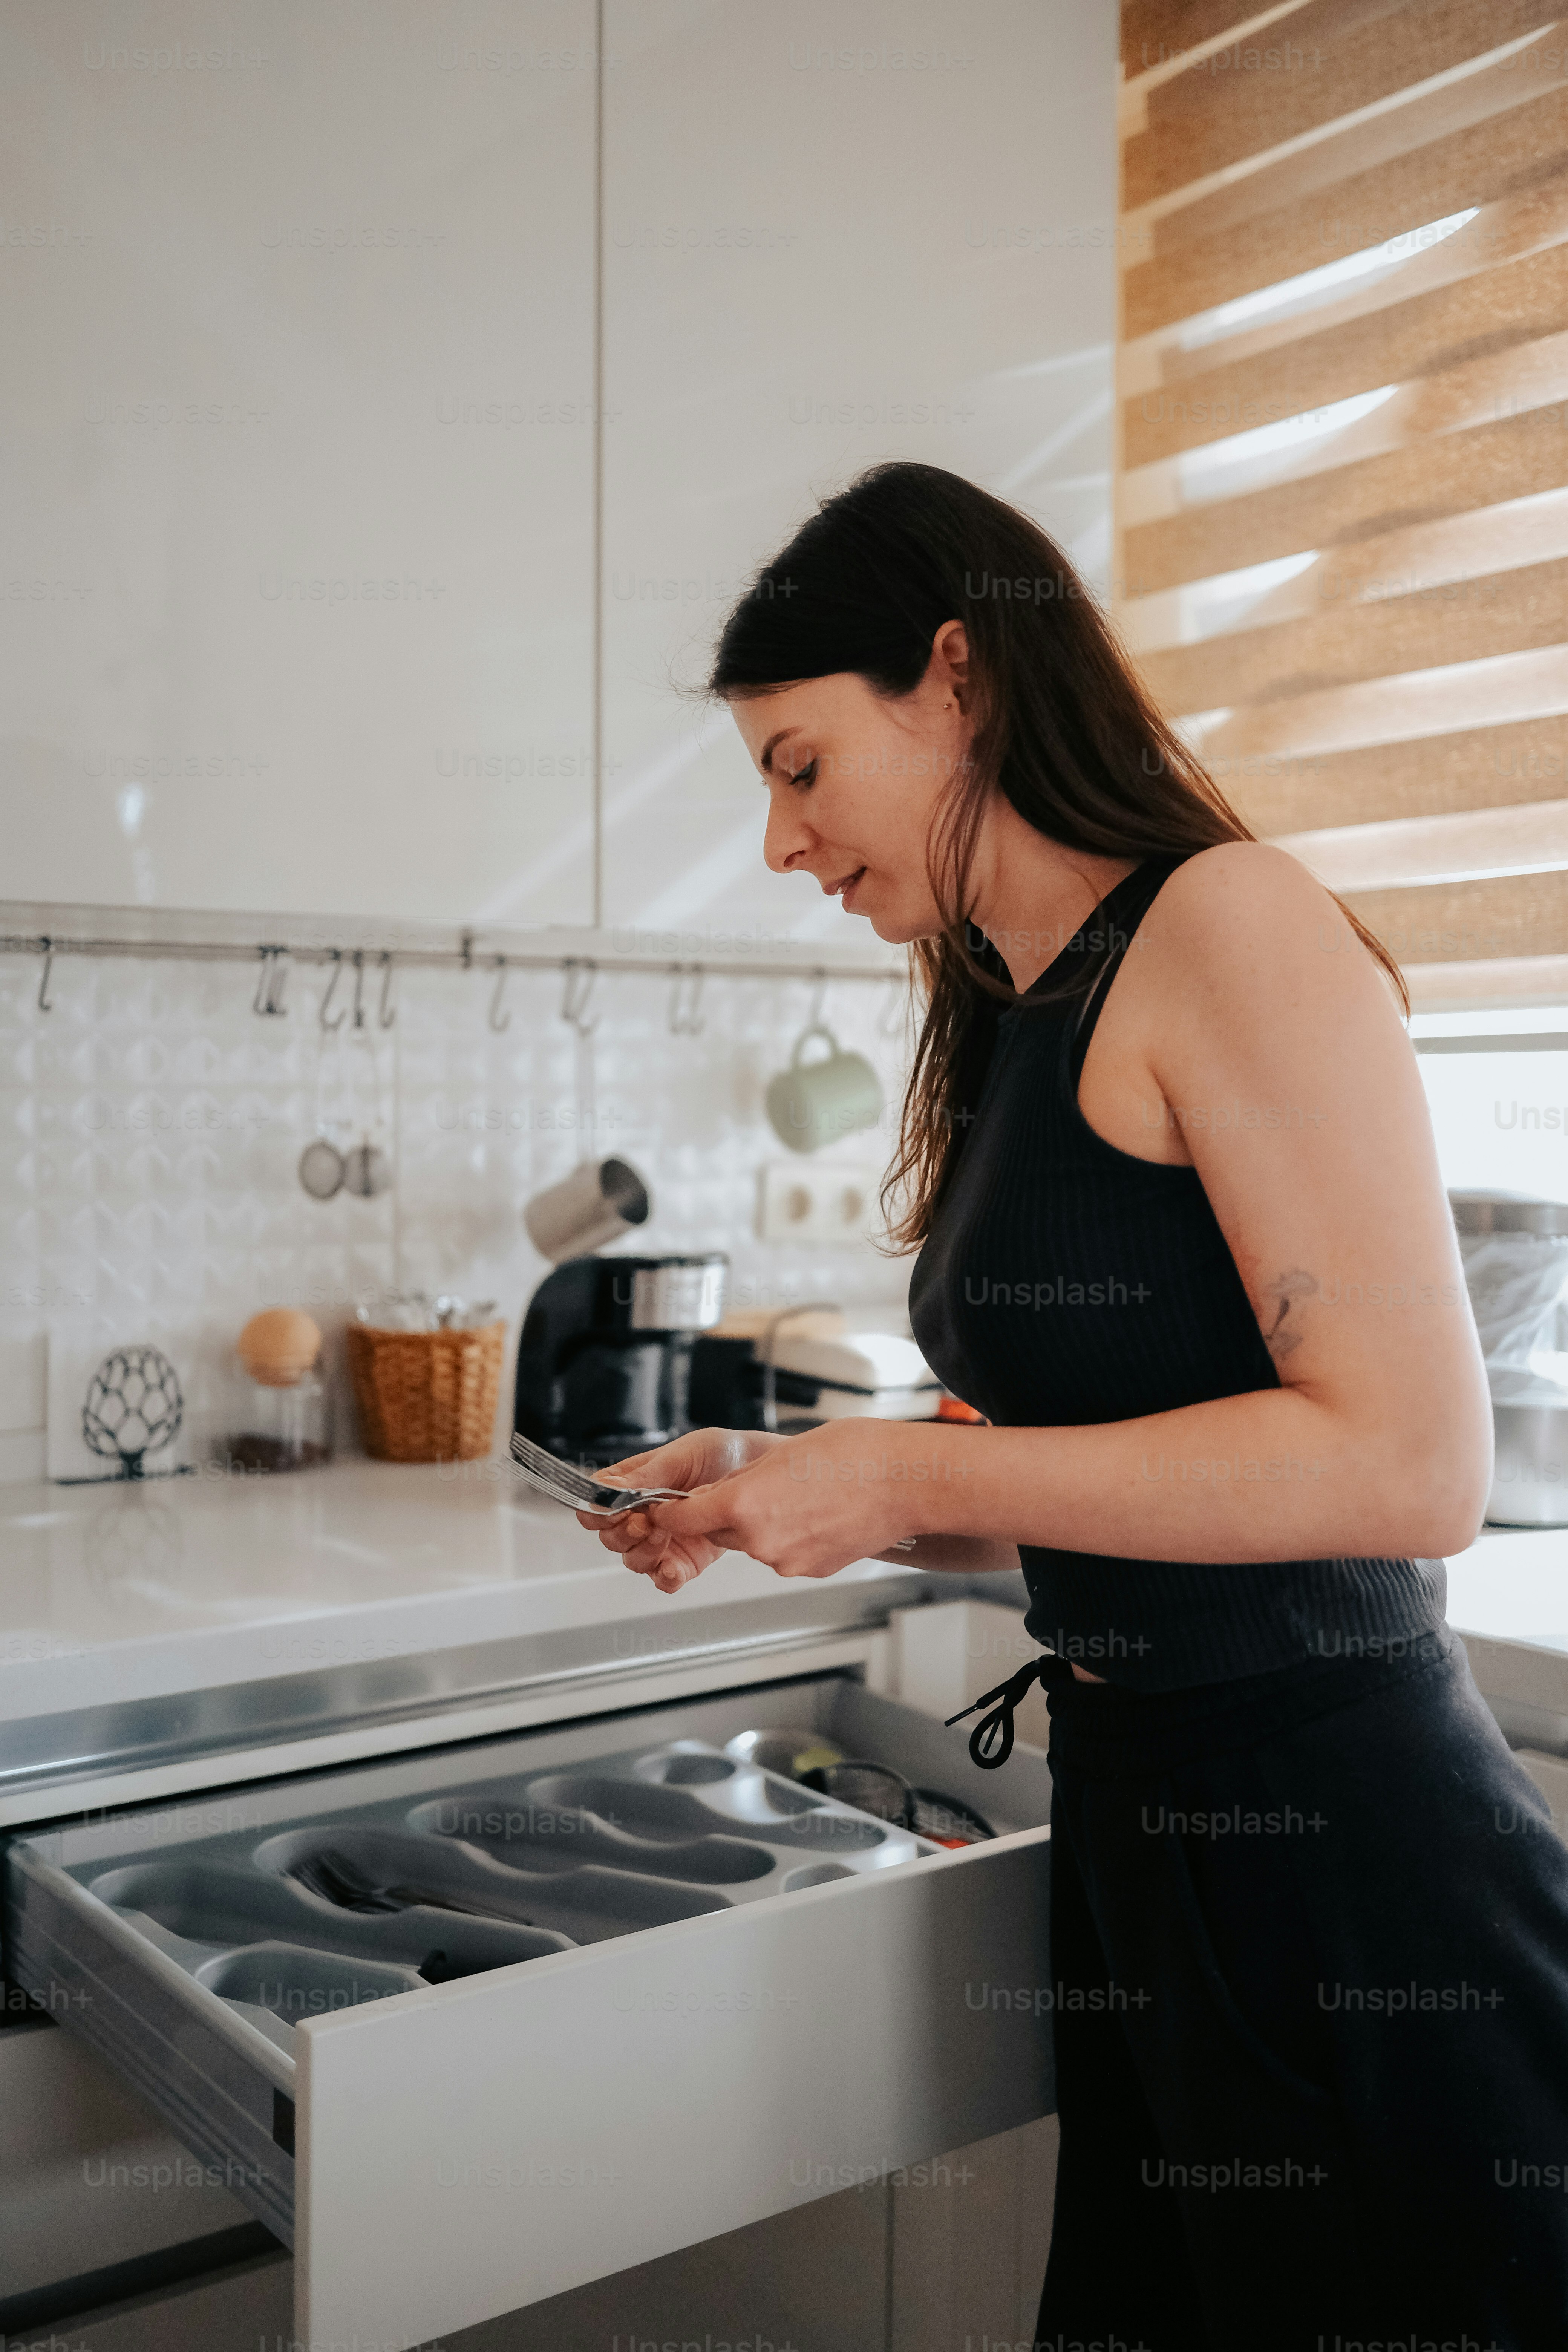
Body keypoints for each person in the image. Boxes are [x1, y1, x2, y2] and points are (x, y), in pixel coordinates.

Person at [580, 462, 1568, 2349]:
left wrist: (885, 1469)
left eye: (798, 767)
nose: (781, 843)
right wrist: (823, 1484)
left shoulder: (1232, 924)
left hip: (1349, 1858)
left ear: (954, 677)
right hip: (1143, 1830)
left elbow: (1408, 1462)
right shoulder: (1015, 1005)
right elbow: (1113, 1465)